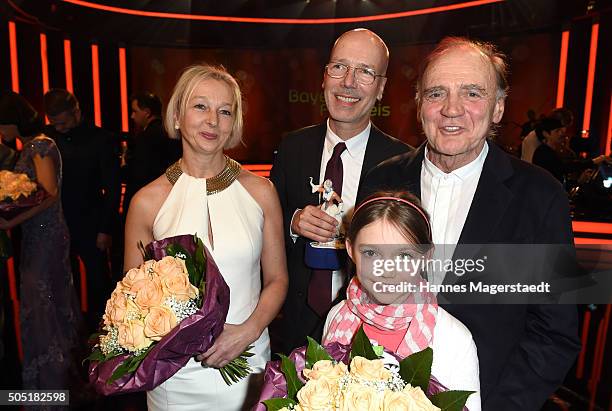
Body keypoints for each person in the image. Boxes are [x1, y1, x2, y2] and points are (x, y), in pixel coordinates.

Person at [360, 37, 581, 410]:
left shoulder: (539, 198)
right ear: (419, 105)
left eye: (472, 93)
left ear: (498, 108)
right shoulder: (381, 183)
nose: (451, 109)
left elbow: (554, 335)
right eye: (436, 94)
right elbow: (361, 299)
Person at [123, 64, 288, 410]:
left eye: (224, 111)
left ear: (234, 123)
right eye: (200, 106)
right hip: (175, 376)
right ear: (178, 115)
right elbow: (133, 302)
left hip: (248, 365)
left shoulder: (261, 192)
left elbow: (277, 280)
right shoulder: (146, 202)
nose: (213, 120)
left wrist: (248, 330)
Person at [270, 28, 410, 353]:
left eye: (365, 71)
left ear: (381, 88)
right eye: (339, 67)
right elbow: (264, 227)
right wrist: (292, 222)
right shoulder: (292, 148)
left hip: (372, 334)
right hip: (295, 327)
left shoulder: (402, 164)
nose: (348, 81)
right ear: (324, 77)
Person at [322, 191, 481, 410]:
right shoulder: (337, 316)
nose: (387, 272)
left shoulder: (454, 340)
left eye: (404, 256)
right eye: (371, 253)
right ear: (350, 250)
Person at [0, 92, 82, 397]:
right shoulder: (33, 146)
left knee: (45, 304)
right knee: (42, 304)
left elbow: (49, 193)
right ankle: (49, 384)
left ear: (13, 121)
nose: (2, 131)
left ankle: (53, 386)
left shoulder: (40, 145)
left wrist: (11, 221)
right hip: (37, 235)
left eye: (3, 125)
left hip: (46, 235)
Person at [43, 89, 121, 330]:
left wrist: (105, 229)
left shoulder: (101, 139)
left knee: (99, 280)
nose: (60, 127)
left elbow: (113, 187)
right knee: (62, 278)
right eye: (54, 123)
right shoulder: (47, 137)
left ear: (76, 111)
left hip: (91, 221)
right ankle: (71, 327)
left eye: (63, 122)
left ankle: (107, 330)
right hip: (57, 220)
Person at [124, 92, 181, 212]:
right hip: (170, 201)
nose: (132, 116)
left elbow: (139, 176)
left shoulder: (145, 138)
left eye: (135, 111)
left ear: (147, 112)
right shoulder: (172, 133)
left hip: (147, 204)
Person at [532, 116, 610, 185]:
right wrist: (594, 161)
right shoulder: (543, 153)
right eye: (557, 131)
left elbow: (559, 176)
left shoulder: (550, 151)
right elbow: (564, 168)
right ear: (545, 134)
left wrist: (578, 182)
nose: (561, 134)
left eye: (561, 131)